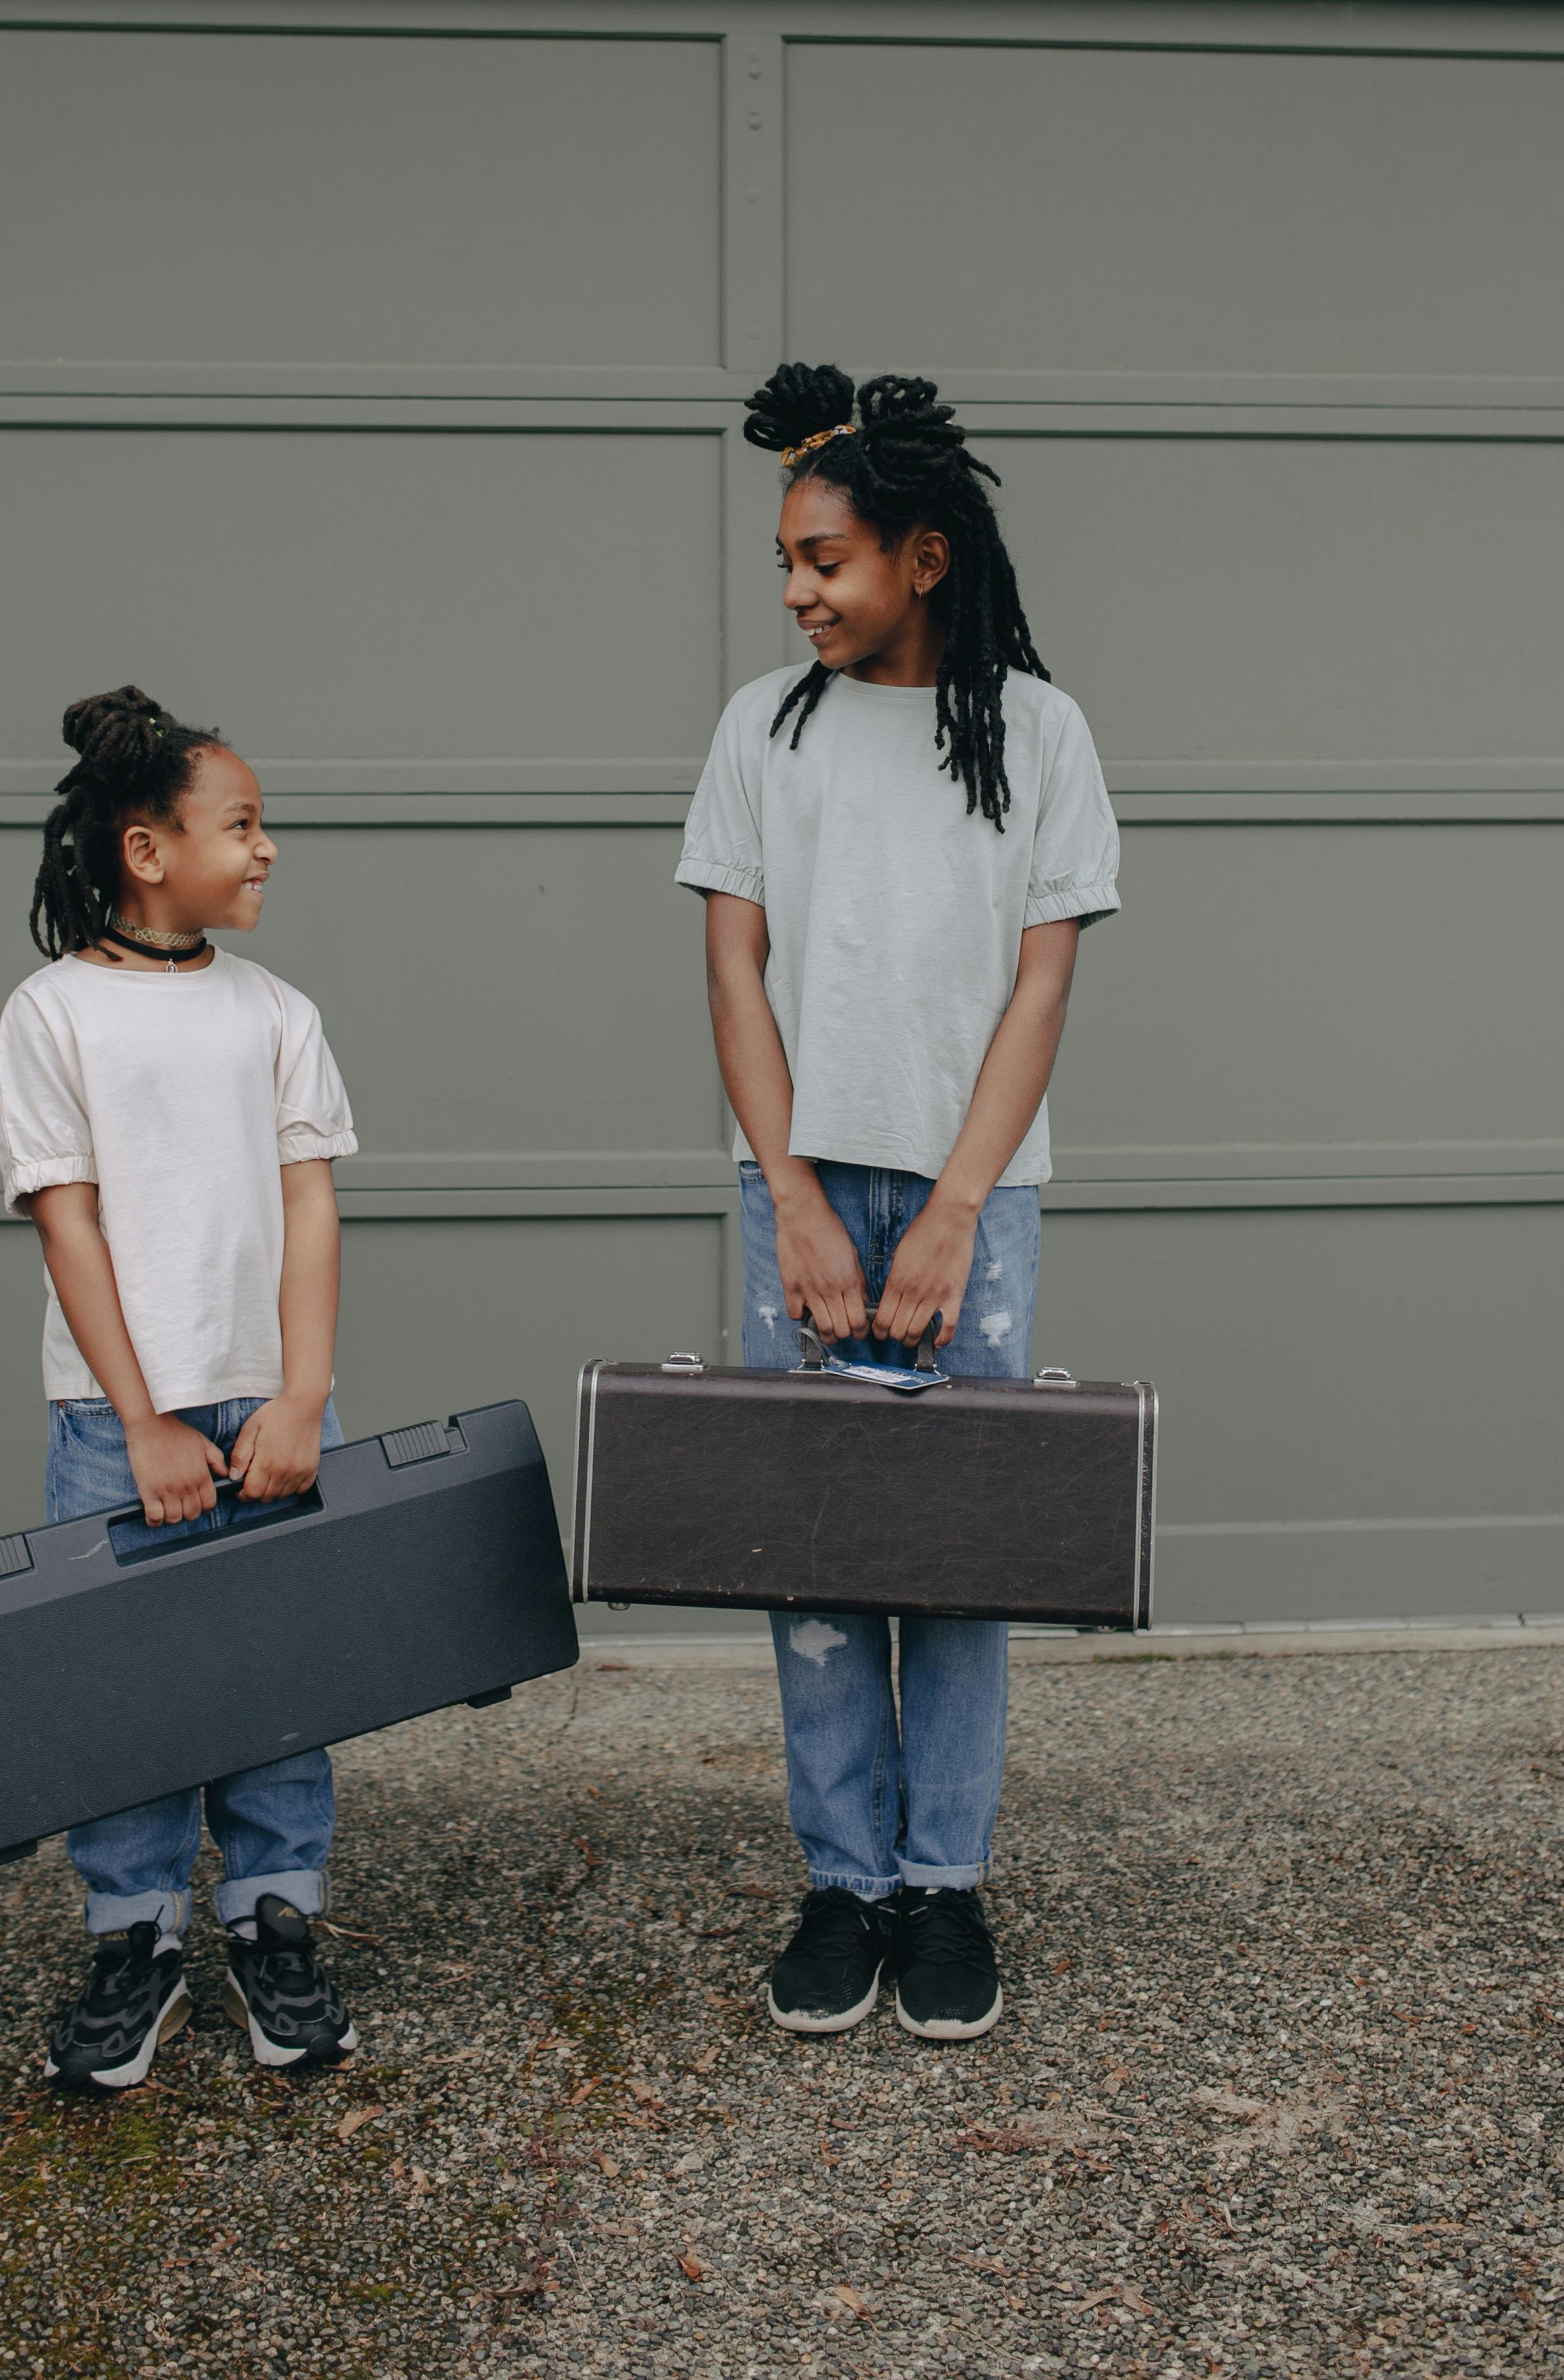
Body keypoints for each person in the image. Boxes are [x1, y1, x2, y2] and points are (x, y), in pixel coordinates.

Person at [678, 368, 1118, 2041]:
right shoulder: (759, 726)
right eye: (786, 561)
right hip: (793, 1179)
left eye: (825, 559)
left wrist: (953, 1210)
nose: (796, 589)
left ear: (921, 556)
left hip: (973, 1195)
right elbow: (733, 960)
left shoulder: (1042, 732)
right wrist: (788, 1191)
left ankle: (943, 1886)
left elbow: (1039, 991)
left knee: (951, 1552)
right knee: (815, 1547)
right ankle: (841, 1881)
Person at [0, 686, 360, 2093]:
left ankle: (277, 1917)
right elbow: (68, 1220)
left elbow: (310, 1210)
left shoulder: (276, 1011)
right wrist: (140, 1413)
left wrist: (303, 1393)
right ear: (149, 850)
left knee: (276, 1677)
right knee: (127, 1687)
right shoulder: (51, 1013)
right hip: (113, 1421)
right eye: (243, 824)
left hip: (269, 1403)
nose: (267, 848)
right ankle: (131, 1936)